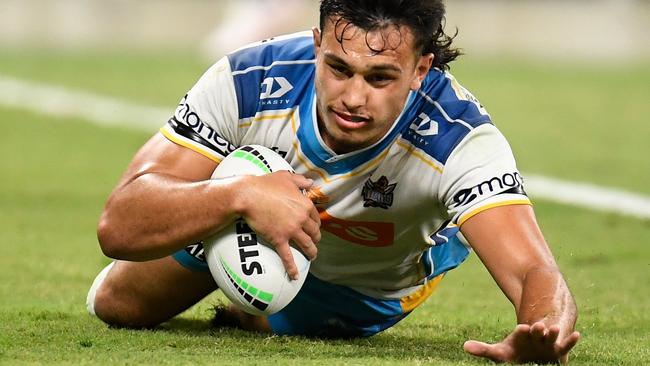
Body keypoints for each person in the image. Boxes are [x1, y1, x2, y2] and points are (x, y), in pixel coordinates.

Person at [87, 0, 580, 363]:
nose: (353, 98)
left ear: (420, 69)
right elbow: (118, 225)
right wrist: (237, 194)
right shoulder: (249, 77)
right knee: (119, 305)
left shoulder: (459, 137)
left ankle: (247, 302)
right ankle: (244, 214)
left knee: (264, 321)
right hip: (251, 208)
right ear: (318, 43)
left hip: (364, 286)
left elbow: (535, 273)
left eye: (380, 78)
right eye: (339, 68)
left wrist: (543, 331)